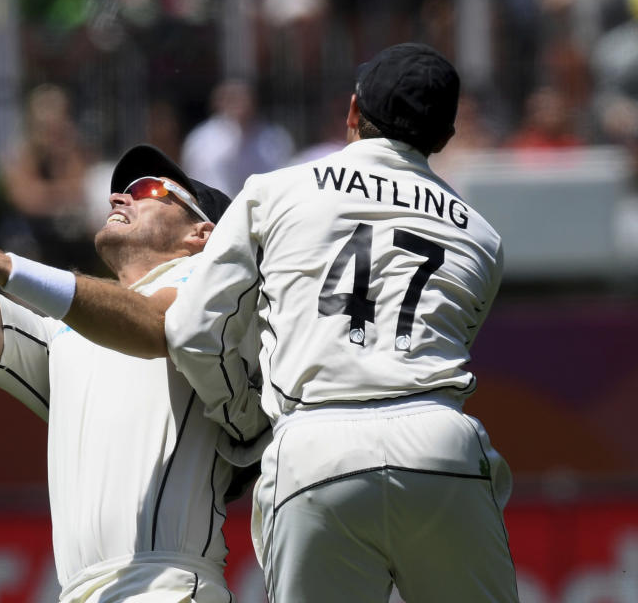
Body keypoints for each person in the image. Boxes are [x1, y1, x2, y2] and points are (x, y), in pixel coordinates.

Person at [0, 22, 267, 603]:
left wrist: (7, 267)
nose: (120, 195)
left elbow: (157, 327)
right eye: (121, 188)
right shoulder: (65, 332)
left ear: (201, 233)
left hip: (169, 587)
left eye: (148, 189)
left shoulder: (212, 288)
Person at [164, 43, 520, 602]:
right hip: (439, 441)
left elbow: (190, 329)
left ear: (353, 111)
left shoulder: (272, 191)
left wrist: (241, 416)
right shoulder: (482, 235)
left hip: (315, 446)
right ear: (445, 137)